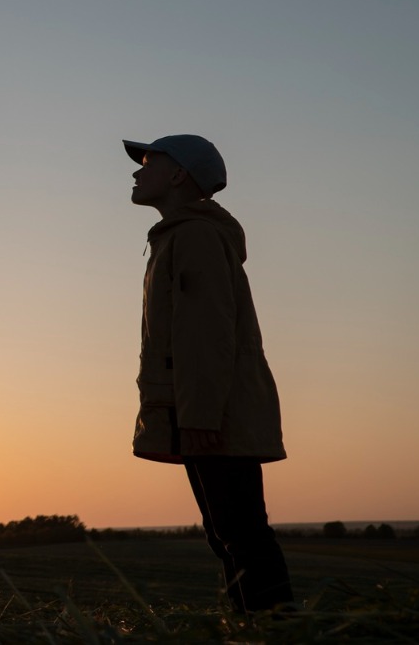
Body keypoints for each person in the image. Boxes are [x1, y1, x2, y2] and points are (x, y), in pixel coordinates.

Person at [123, 134, 293, 612]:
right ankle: (252, 626)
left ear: (178, 175)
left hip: (214, 411)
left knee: (240, 534)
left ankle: (274, 626)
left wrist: (198, 415)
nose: (137, 171)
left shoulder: (195, 235)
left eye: (148, 162)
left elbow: (204, 332)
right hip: (208, 407)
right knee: (229, 534)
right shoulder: (182, 234)